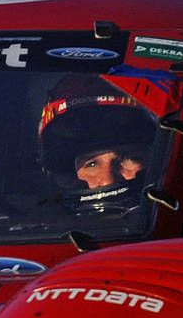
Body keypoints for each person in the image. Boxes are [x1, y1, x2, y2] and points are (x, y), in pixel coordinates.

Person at [36, 82, 161, 222]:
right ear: (70, 178)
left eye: (130, 159)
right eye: (92, 164)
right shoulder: (29, 233)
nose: (108, 180)